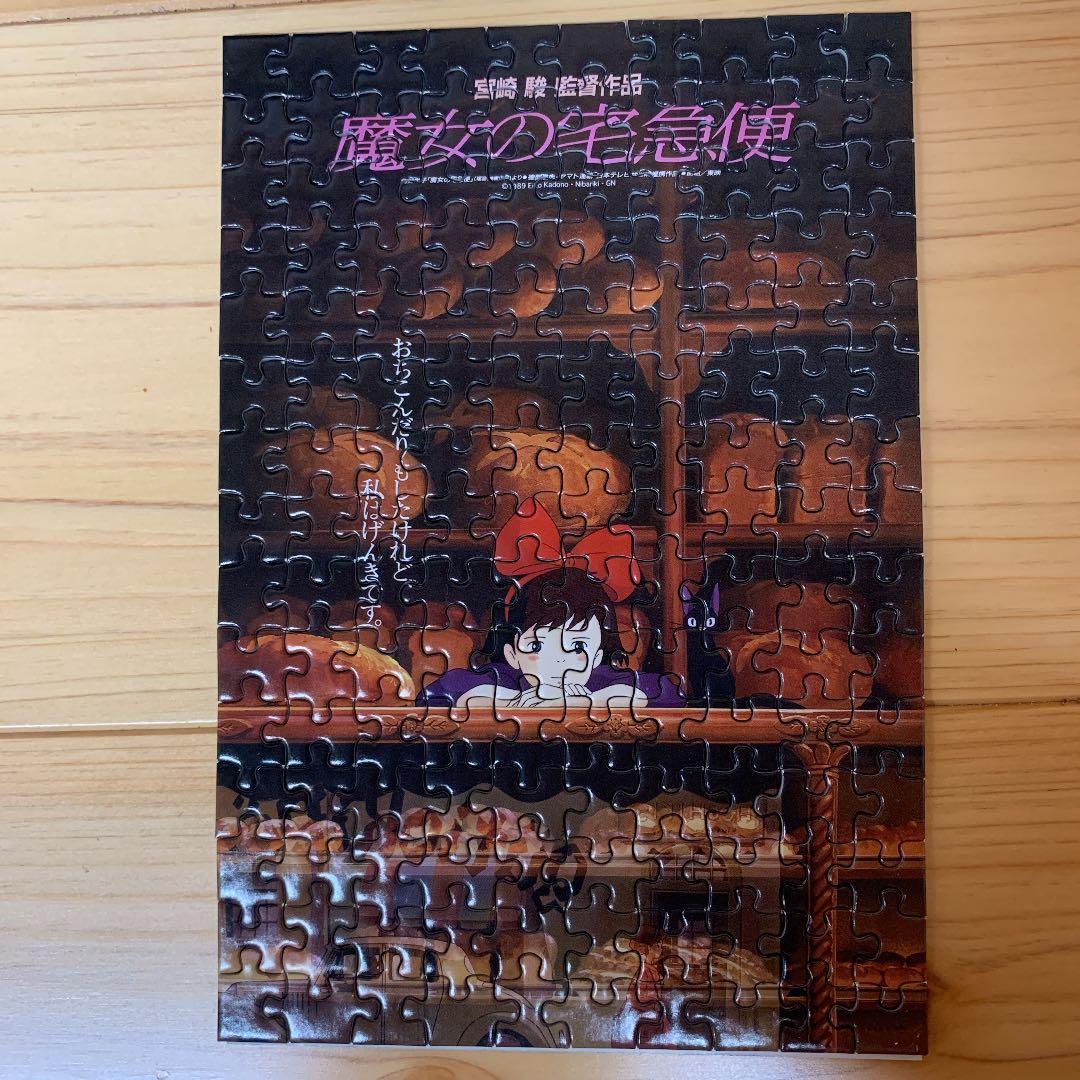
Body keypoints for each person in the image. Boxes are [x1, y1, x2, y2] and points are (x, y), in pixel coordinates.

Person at [417, 498, 683, 709]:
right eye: (537, 646)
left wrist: (589, 701)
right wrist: (512, 703)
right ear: (512, 653)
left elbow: (670, 695)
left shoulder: (600, 680)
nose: (558, 660)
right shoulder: (502, 678)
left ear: (597, 656)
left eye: (578, 647)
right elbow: (434, 696)